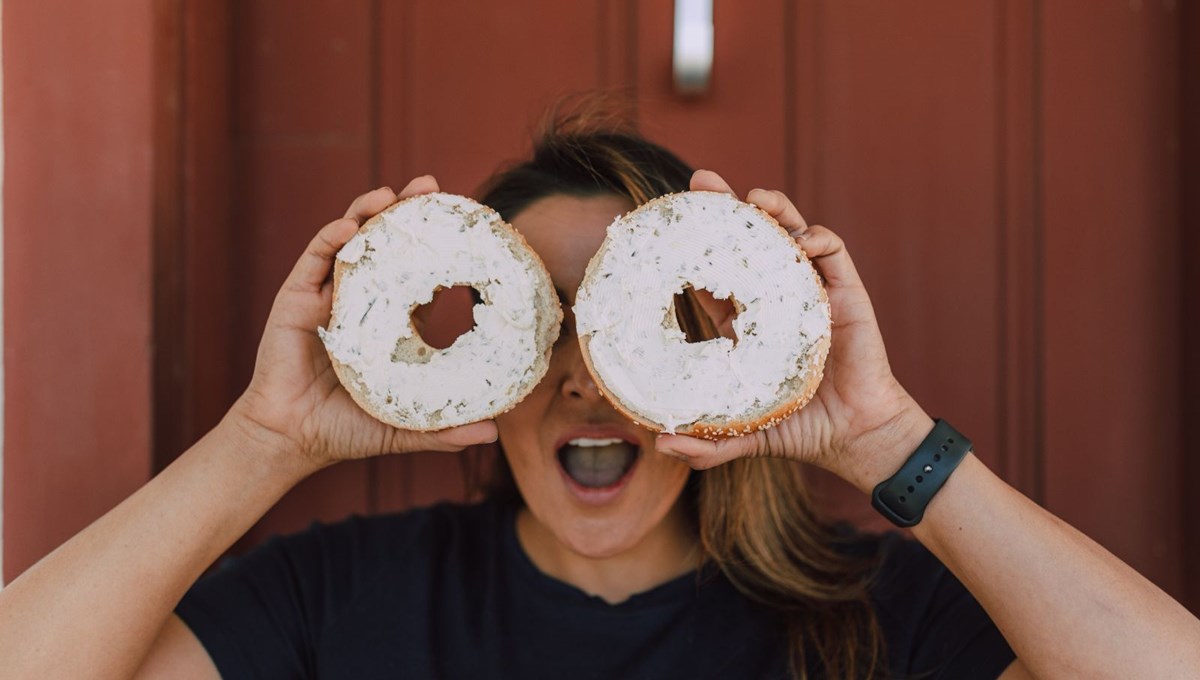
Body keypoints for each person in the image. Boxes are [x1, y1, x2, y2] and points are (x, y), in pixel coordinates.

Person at [1, 115, 1198, 680]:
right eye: (543, 324)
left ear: (714, 353)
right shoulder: (345, 599)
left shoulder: (876, 619)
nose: (583, 375)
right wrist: (262, 442)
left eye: (632, 325)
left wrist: (890, 439)